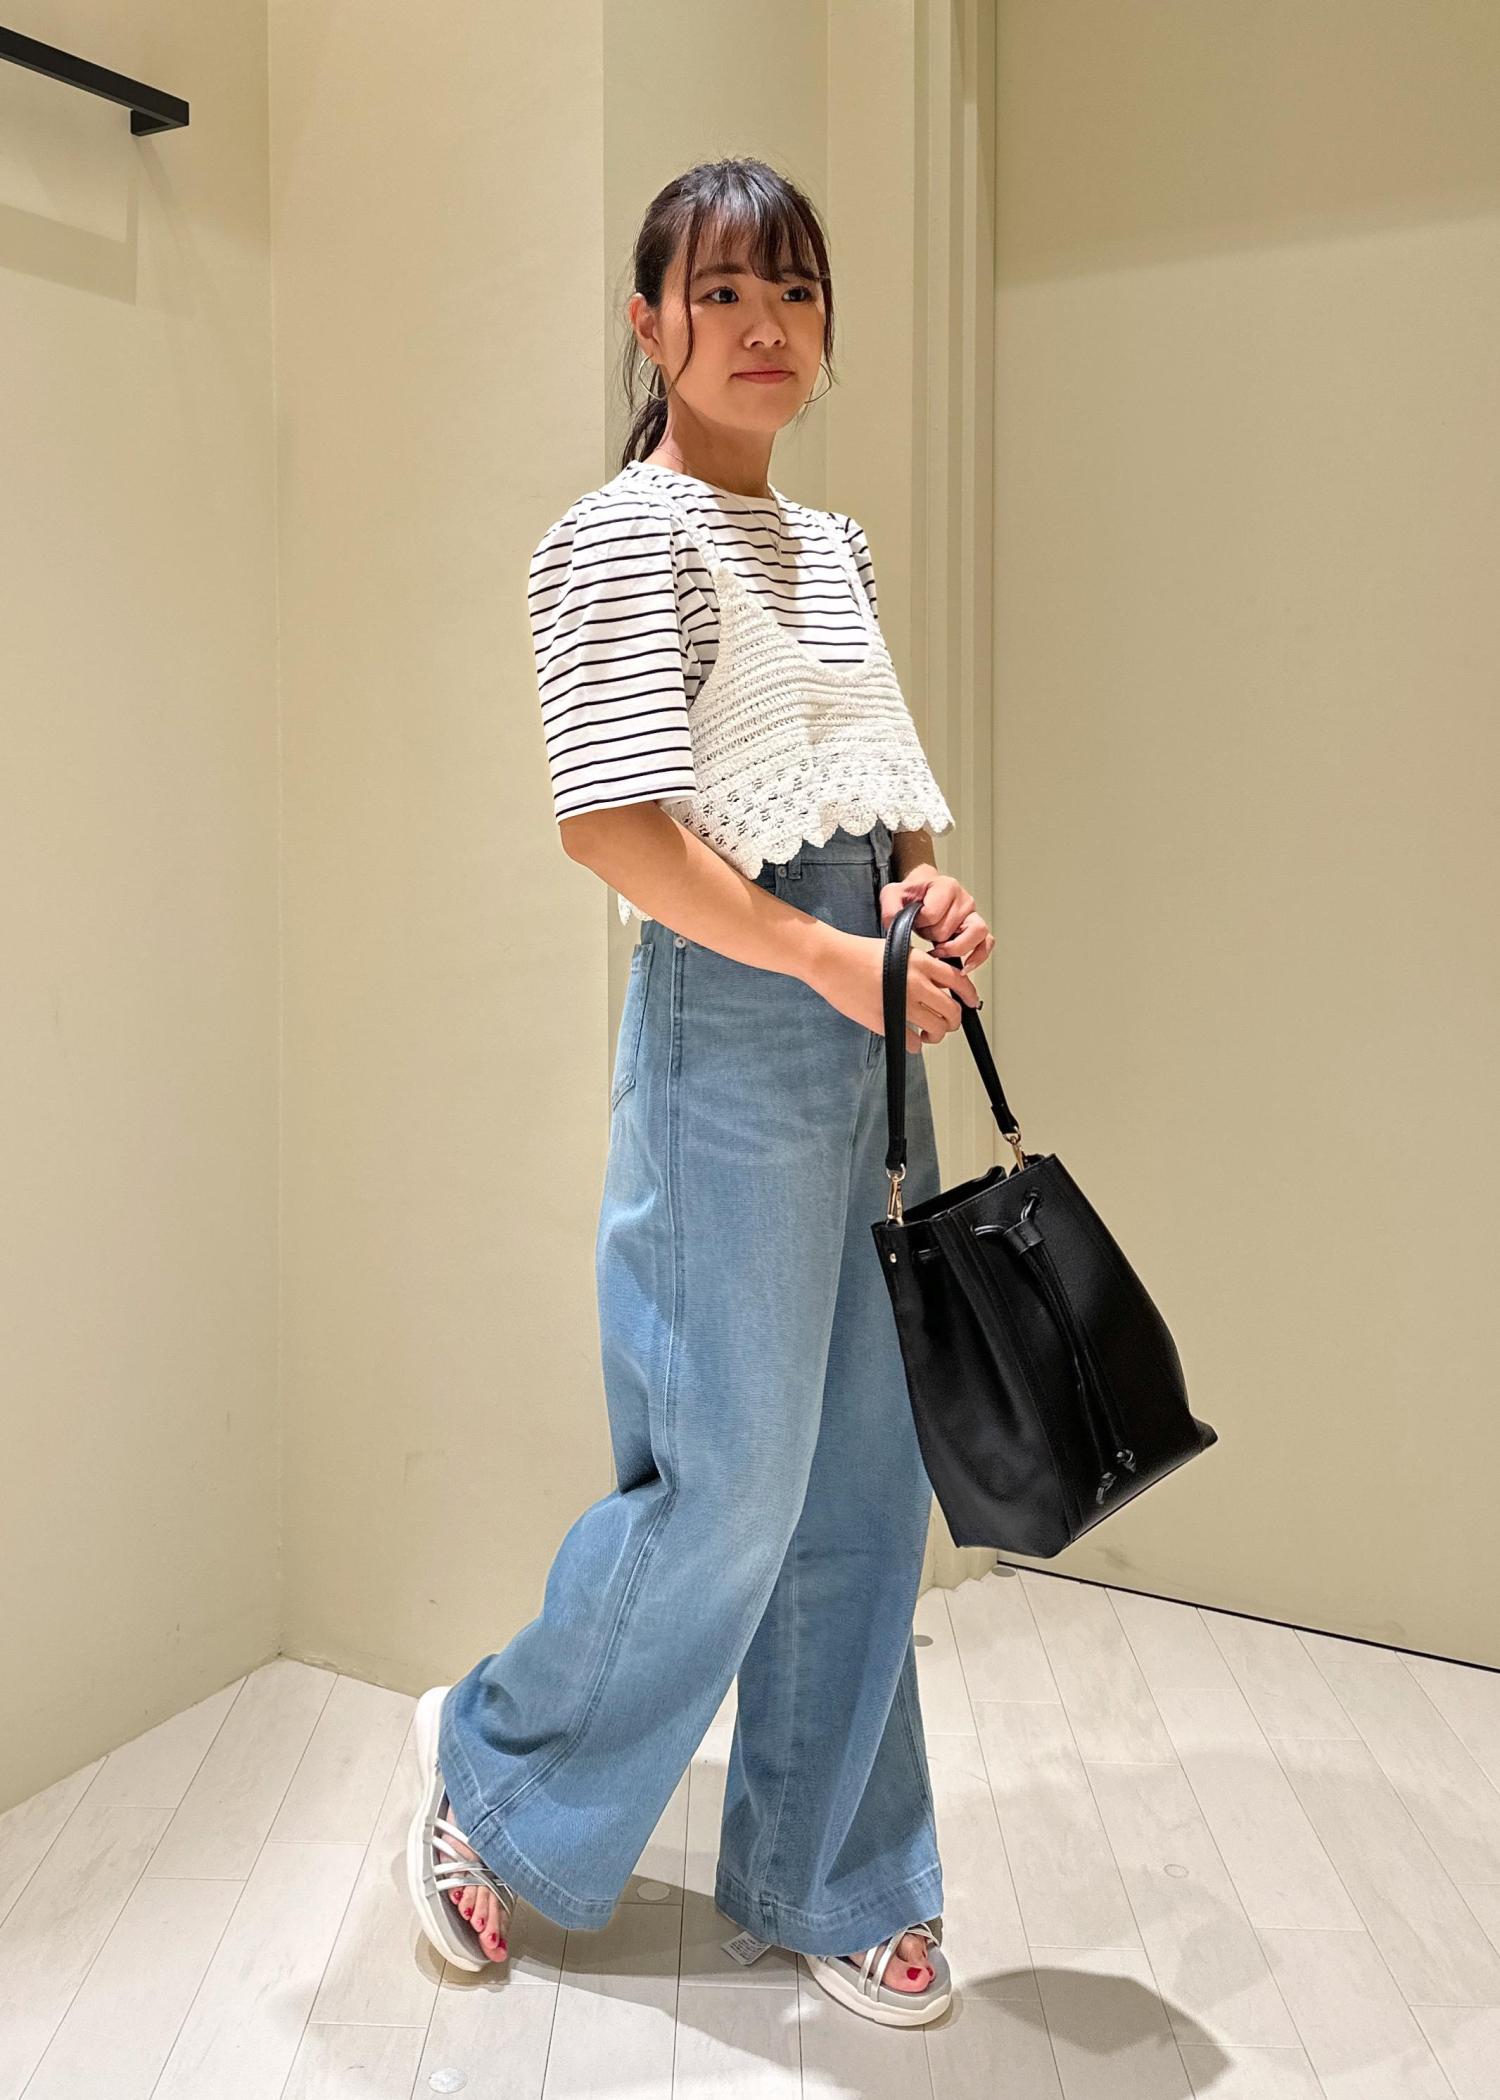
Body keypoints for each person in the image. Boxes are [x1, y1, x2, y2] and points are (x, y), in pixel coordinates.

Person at [404, 155, 995, 2029]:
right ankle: (495, 1774)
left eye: (794, 293)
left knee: (863, 1473)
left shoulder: (835, 547)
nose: (762, 326)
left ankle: (833, 1867)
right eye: (722, 292)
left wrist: (922, 901)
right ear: (649, 324)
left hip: (862, 1019)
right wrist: (825, 958)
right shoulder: (618, 534)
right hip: (738, 1023)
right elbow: (613, 828)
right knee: (729, 1478)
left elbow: (876, 796)